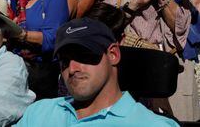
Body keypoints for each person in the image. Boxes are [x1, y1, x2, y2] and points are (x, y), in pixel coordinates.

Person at [15, 17, 179, 126]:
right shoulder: (38, 113)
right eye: (64, 61)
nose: (72, 69)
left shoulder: (150, 124)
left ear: (113, 55)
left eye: (84, 55)